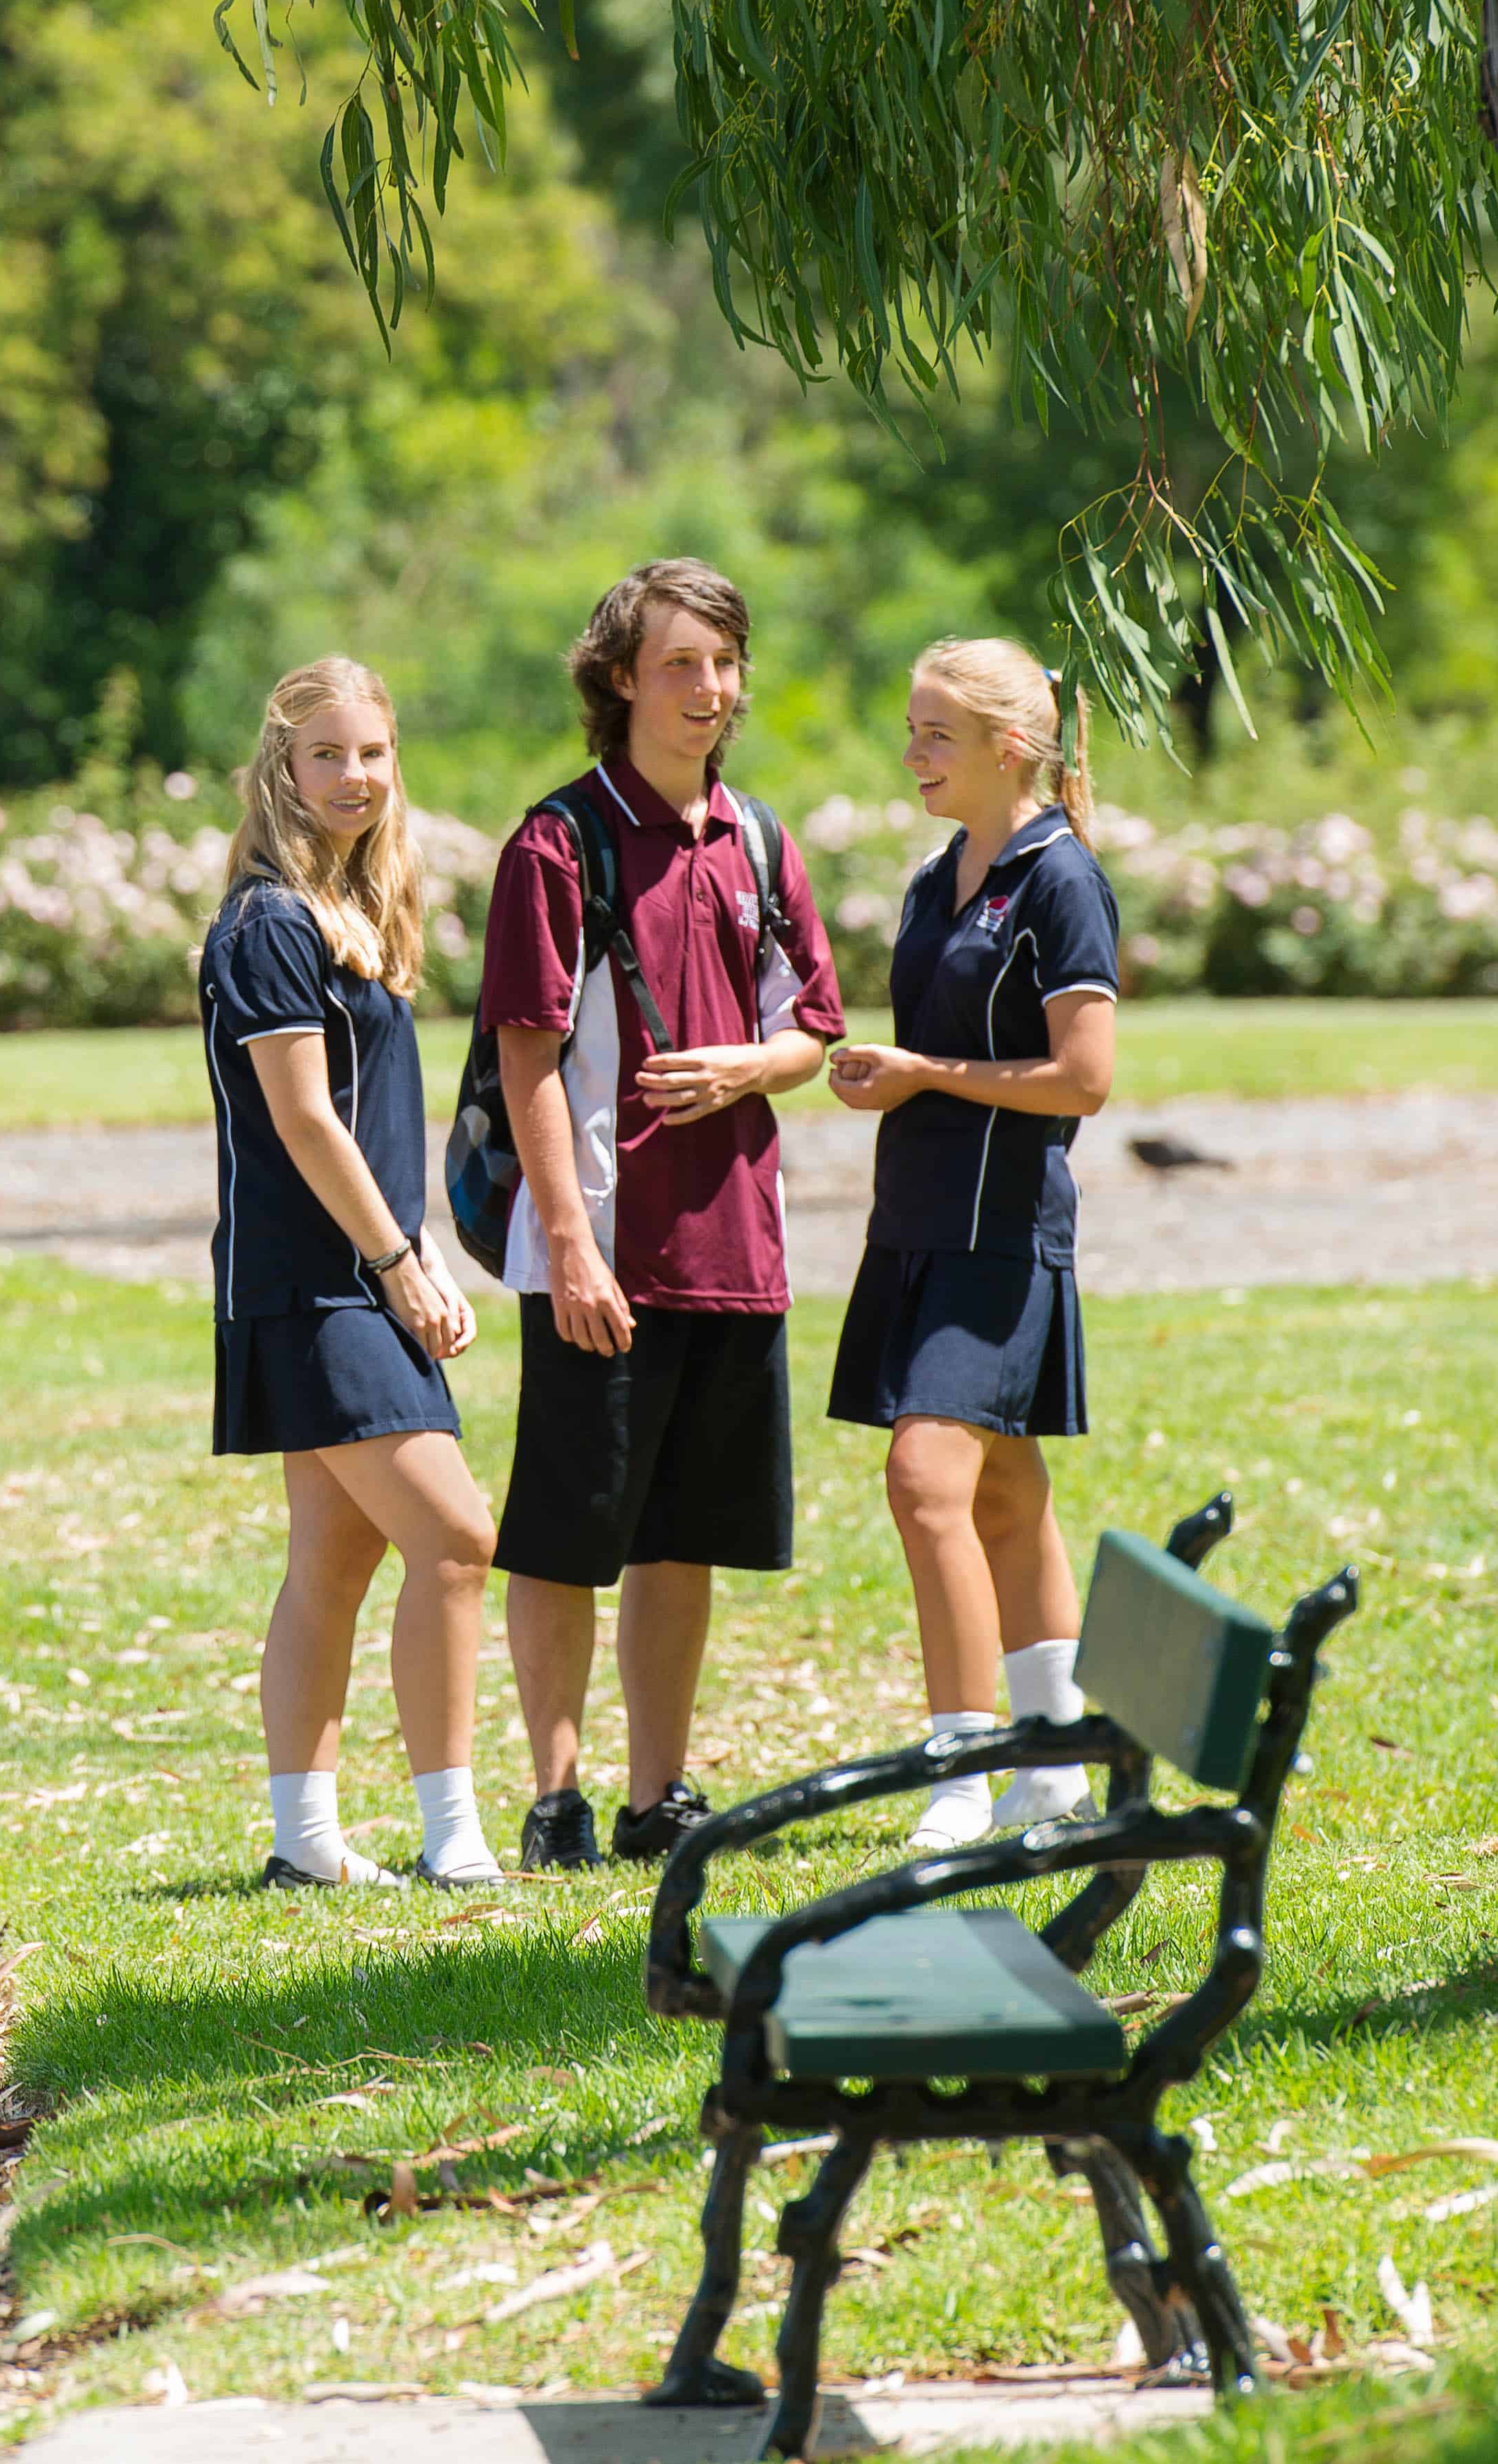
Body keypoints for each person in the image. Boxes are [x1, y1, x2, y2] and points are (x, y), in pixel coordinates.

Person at [482, 559, 846, 1871]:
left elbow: (812, 1027)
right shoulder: (557, 842)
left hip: (736, 1246)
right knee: (568, 1530)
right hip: (601, 1253)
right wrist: (567, 1240)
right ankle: (556, 1796)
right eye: (681, 663)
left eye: (724, 663)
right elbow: (524, 1054)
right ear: (621, 676)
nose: (709, 688)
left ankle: (655, 1797)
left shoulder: (755, 839)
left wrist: (746, 1068)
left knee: (680, 1532)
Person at [822, 642, 1122, 1848]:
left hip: (999, 1235)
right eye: (910, 729)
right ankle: (1051, 1764)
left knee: (925, 1481)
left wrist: (921, 1075)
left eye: (936, 733)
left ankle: (960, 1769)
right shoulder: (936, 873)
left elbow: (1084, 1080)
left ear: (1011, 746)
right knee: (1003, 1487)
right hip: (914, 1223)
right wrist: (887, 1082)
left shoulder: (1062, 879)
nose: (913, 753)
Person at [203, 658, 495, 1889]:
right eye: (325, 754)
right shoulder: (272, 919)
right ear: (279, 766)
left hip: (357, 1272)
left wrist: (421, 1246)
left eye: (371, 752)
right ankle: (453, 1834)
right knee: (457, 1538)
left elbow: (372, 1123)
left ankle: (307, 1845)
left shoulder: (350, 908)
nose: (353, 776)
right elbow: (307, 1121)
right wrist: (396, 1262)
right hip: (315, 1285)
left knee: (334, 1557)